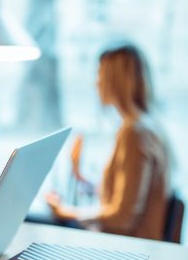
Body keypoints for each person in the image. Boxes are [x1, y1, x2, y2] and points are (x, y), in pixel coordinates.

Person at [46, 43, 172, 240]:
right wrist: (80, 175)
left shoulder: (134, 134)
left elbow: (122, 217)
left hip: (129, 249)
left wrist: (66, 211)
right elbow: (128, 195)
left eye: (100, 74)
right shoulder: (148, 127)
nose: (96, 83)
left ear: (116, 81)